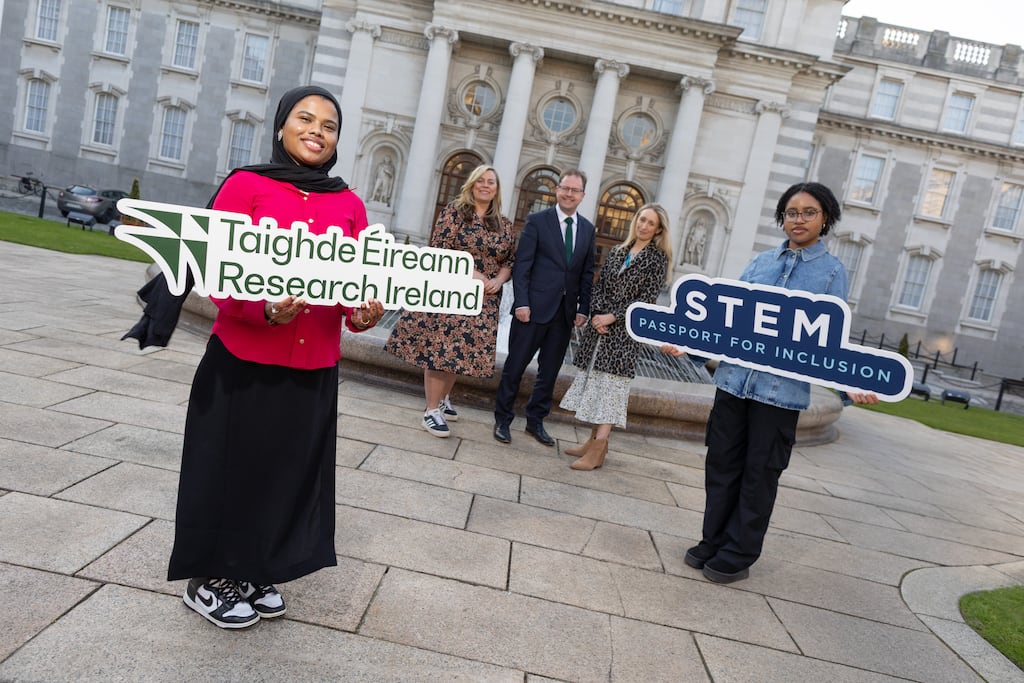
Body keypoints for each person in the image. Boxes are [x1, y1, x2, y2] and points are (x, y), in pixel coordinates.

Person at [167, 85, 385, 629]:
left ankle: (256, 568)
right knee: (231, 471)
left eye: (329, 124)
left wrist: (362, 314)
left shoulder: (350, 204)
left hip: (314, 366)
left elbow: (352, 287)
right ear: (282, 126)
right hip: (243, 359)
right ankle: (212, 578)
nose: (317, 130)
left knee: (287, 473)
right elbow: (216, 272)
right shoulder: (247, 186)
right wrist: (261, 309)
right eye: (305, 119)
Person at [662, 181, 877, 585]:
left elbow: (832, 339)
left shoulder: (832, 272)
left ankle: (739, 552)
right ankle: (713, 539)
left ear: (825, 218)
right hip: (733, 384)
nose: (798, 219)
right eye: (792, 212)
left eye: (808, 212)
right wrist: (689, 346)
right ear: (782, 217)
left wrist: (851, 384)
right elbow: (726, 323)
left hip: (779, 395)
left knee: (760, 473)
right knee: (722, 464)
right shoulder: (760, 263)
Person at [385, 165, 515, 437]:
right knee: (441, 349)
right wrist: (474, 274)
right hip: (452, 290)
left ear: (497, 189)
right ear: (471, 184)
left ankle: (443, 398)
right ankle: (431, 411)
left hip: (483, 298)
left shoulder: (503, 223)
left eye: (491, 182)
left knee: (460, 352)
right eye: (480, 180)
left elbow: (508, 261)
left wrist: (499, 280)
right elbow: (440, 250)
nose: (485, 185)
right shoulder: (454, 213)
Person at [559, 203, 672, 470]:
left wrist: (613, 317)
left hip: (623, 336)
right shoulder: (618, 251)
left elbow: (646, 301)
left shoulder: (657, 260)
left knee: (610, 391)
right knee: (598, 385)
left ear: (658, 230)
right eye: (642, 220)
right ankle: (592, 442)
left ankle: (597, 451)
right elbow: (599, 286)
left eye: (650, 223)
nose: (644, 226)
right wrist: (598, 315)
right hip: (600, 332)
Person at [494, 169, 596, 446]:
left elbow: (587, 273)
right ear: (557, 190)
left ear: (582, 195)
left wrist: (583, 308)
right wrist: (522, 302)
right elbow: (523, 265)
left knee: (548, 373)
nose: (569, 193)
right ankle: (502, 420)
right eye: (565, 188)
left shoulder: (587, 229)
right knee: (515, 367)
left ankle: (535, 422)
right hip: (532, 310)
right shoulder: (537, 221)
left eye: (575, 190)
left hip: (563, 316)